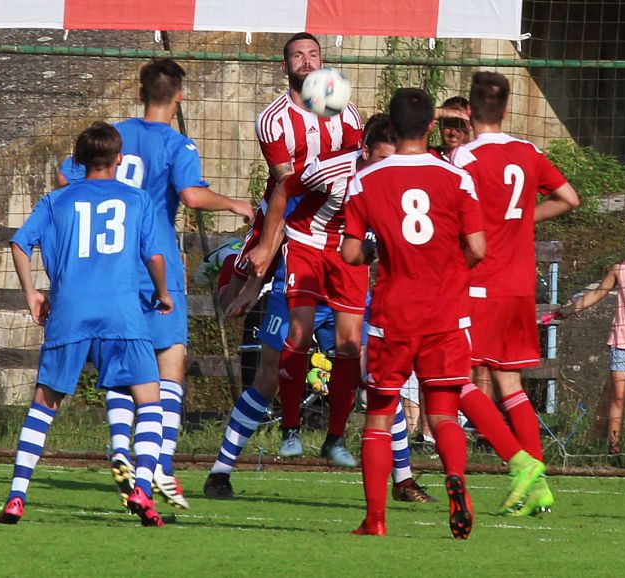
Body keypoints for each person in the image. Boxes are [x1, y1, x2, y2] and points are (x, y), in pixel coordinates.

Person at [203, 115, 435, 504]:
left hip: (347, 275)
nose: (385, 169)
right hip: (306, 263)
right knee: (269, 375)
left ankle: (404, 479)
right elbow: (283, 194)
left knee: (375, 376)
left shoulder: (399, 181)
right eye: (379, 159)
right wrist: (261, 268)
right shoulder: (331, 169)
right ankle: (220, 472)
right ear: (364, 150)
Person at [58, 59, 253, 510]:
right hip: (156, 263)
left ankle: (120, 449)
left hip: (113, 267)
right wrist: (234, 203)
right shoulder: (178, 144)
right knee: (170, 365)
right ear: (180, 94)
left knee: (124, 365)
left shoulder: (113, 135)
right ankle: (159, 465)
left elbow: (66, 175)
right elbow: (190, 195)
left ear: (141, 89)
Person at [0, 122, 173, 527]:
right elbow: (155, 256)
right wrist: (163, 293)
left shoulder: (56, 201)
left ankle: (16, 496)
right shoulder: (137, 200)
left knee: (44, 404)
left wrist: (32, 294)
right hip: (122, 313)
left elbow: (19, 243)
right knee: (150, 400)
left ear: (77, 163)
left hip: (70, 311)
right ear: (119, 160)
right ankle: (143, 488)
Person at [341, 88, 486, 538]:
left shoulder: (365, 180)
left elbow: (349, 253)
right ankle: (456, 483)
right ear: (430, 127)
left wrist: (376, 250)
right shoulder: (456, 178)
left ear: (392, 125)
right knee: (443, 412)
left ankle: (376, 518)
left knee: (380, 415)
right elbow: (478, 248)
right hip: (445, 313)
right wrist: (448, 265)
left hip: (393, 314)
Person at [452, 71, 580, 516]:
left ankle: (519, 462)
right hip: (520, 285)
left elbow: (456, 222)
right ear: (505, 109)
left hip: (479, 284)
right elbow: (569, 197)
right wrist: (523, 219)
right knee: (511, 383)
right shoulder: (528, 153)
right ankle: (539, 490)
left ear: (468, 111)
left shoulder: (463, 158)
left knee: (453, 378)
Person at [224, 32, 363, 317]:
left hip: (328, 210)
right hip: (283, 204)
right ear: (285, 67)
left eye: (313, 55)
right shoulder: (272, 118)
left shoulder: (346, 111)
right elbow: (287, 183)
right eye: (298, 56)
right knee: (236, 293)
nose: (307, 62)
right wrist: (265, 248)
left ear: (322, 62)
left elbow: (354, 168)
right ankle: (232, 273)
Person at [556, 216, 625, 456]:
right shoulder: (620, 269)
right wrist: (572, 309)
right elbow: (598, 293)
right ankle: (614, 448)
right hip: (622, 341)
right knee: (618, 395)